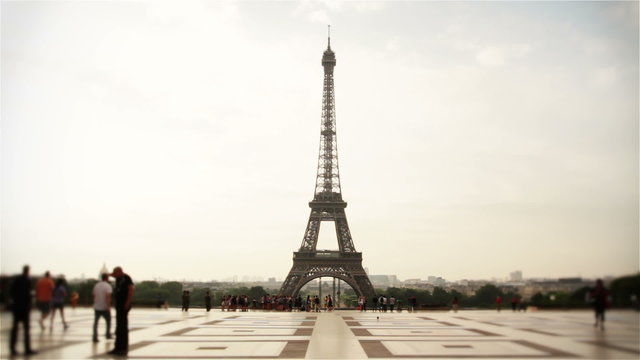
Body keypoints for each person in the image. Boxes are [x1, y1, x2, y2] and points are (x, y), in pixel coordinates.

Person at [9, 265, 37, 356]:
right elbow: (29, 294)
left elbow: (11, 292)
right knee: (26, 329)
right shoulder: (27, 280)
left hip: (16, 307)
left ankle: (12, 349)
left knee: (15, 328)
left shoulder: (17, 280)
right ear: (28, 271)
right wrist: (30, 304)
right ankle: (27, 349)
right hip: (24, 308)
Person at [108, 266, 134, 356]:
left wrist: (128, 302)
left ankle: (123, 348)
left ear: (119, 272)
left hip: (124, 305)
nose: (114, 275)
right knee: (119, 327)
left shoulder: (126, 278)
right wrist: (109, 274)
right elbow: (111, 275)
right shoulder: (118, 278)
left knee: (122, 327)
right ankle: (117, 347)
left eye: (115, 273)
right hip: (119, 305)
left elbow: (131, 289)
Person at [92, 273, 113, 342]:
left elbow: (94, 295)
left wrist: (95, 303)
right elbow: (108, 297)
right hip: (104, 307)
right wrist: (108, 306)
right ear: (107, 278)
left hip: (97, 306)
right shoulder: (108, 286)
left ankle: (95, 336)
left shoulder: (96, 285)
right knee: (108, 321)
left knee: (96, 322)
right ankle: (108, 334)